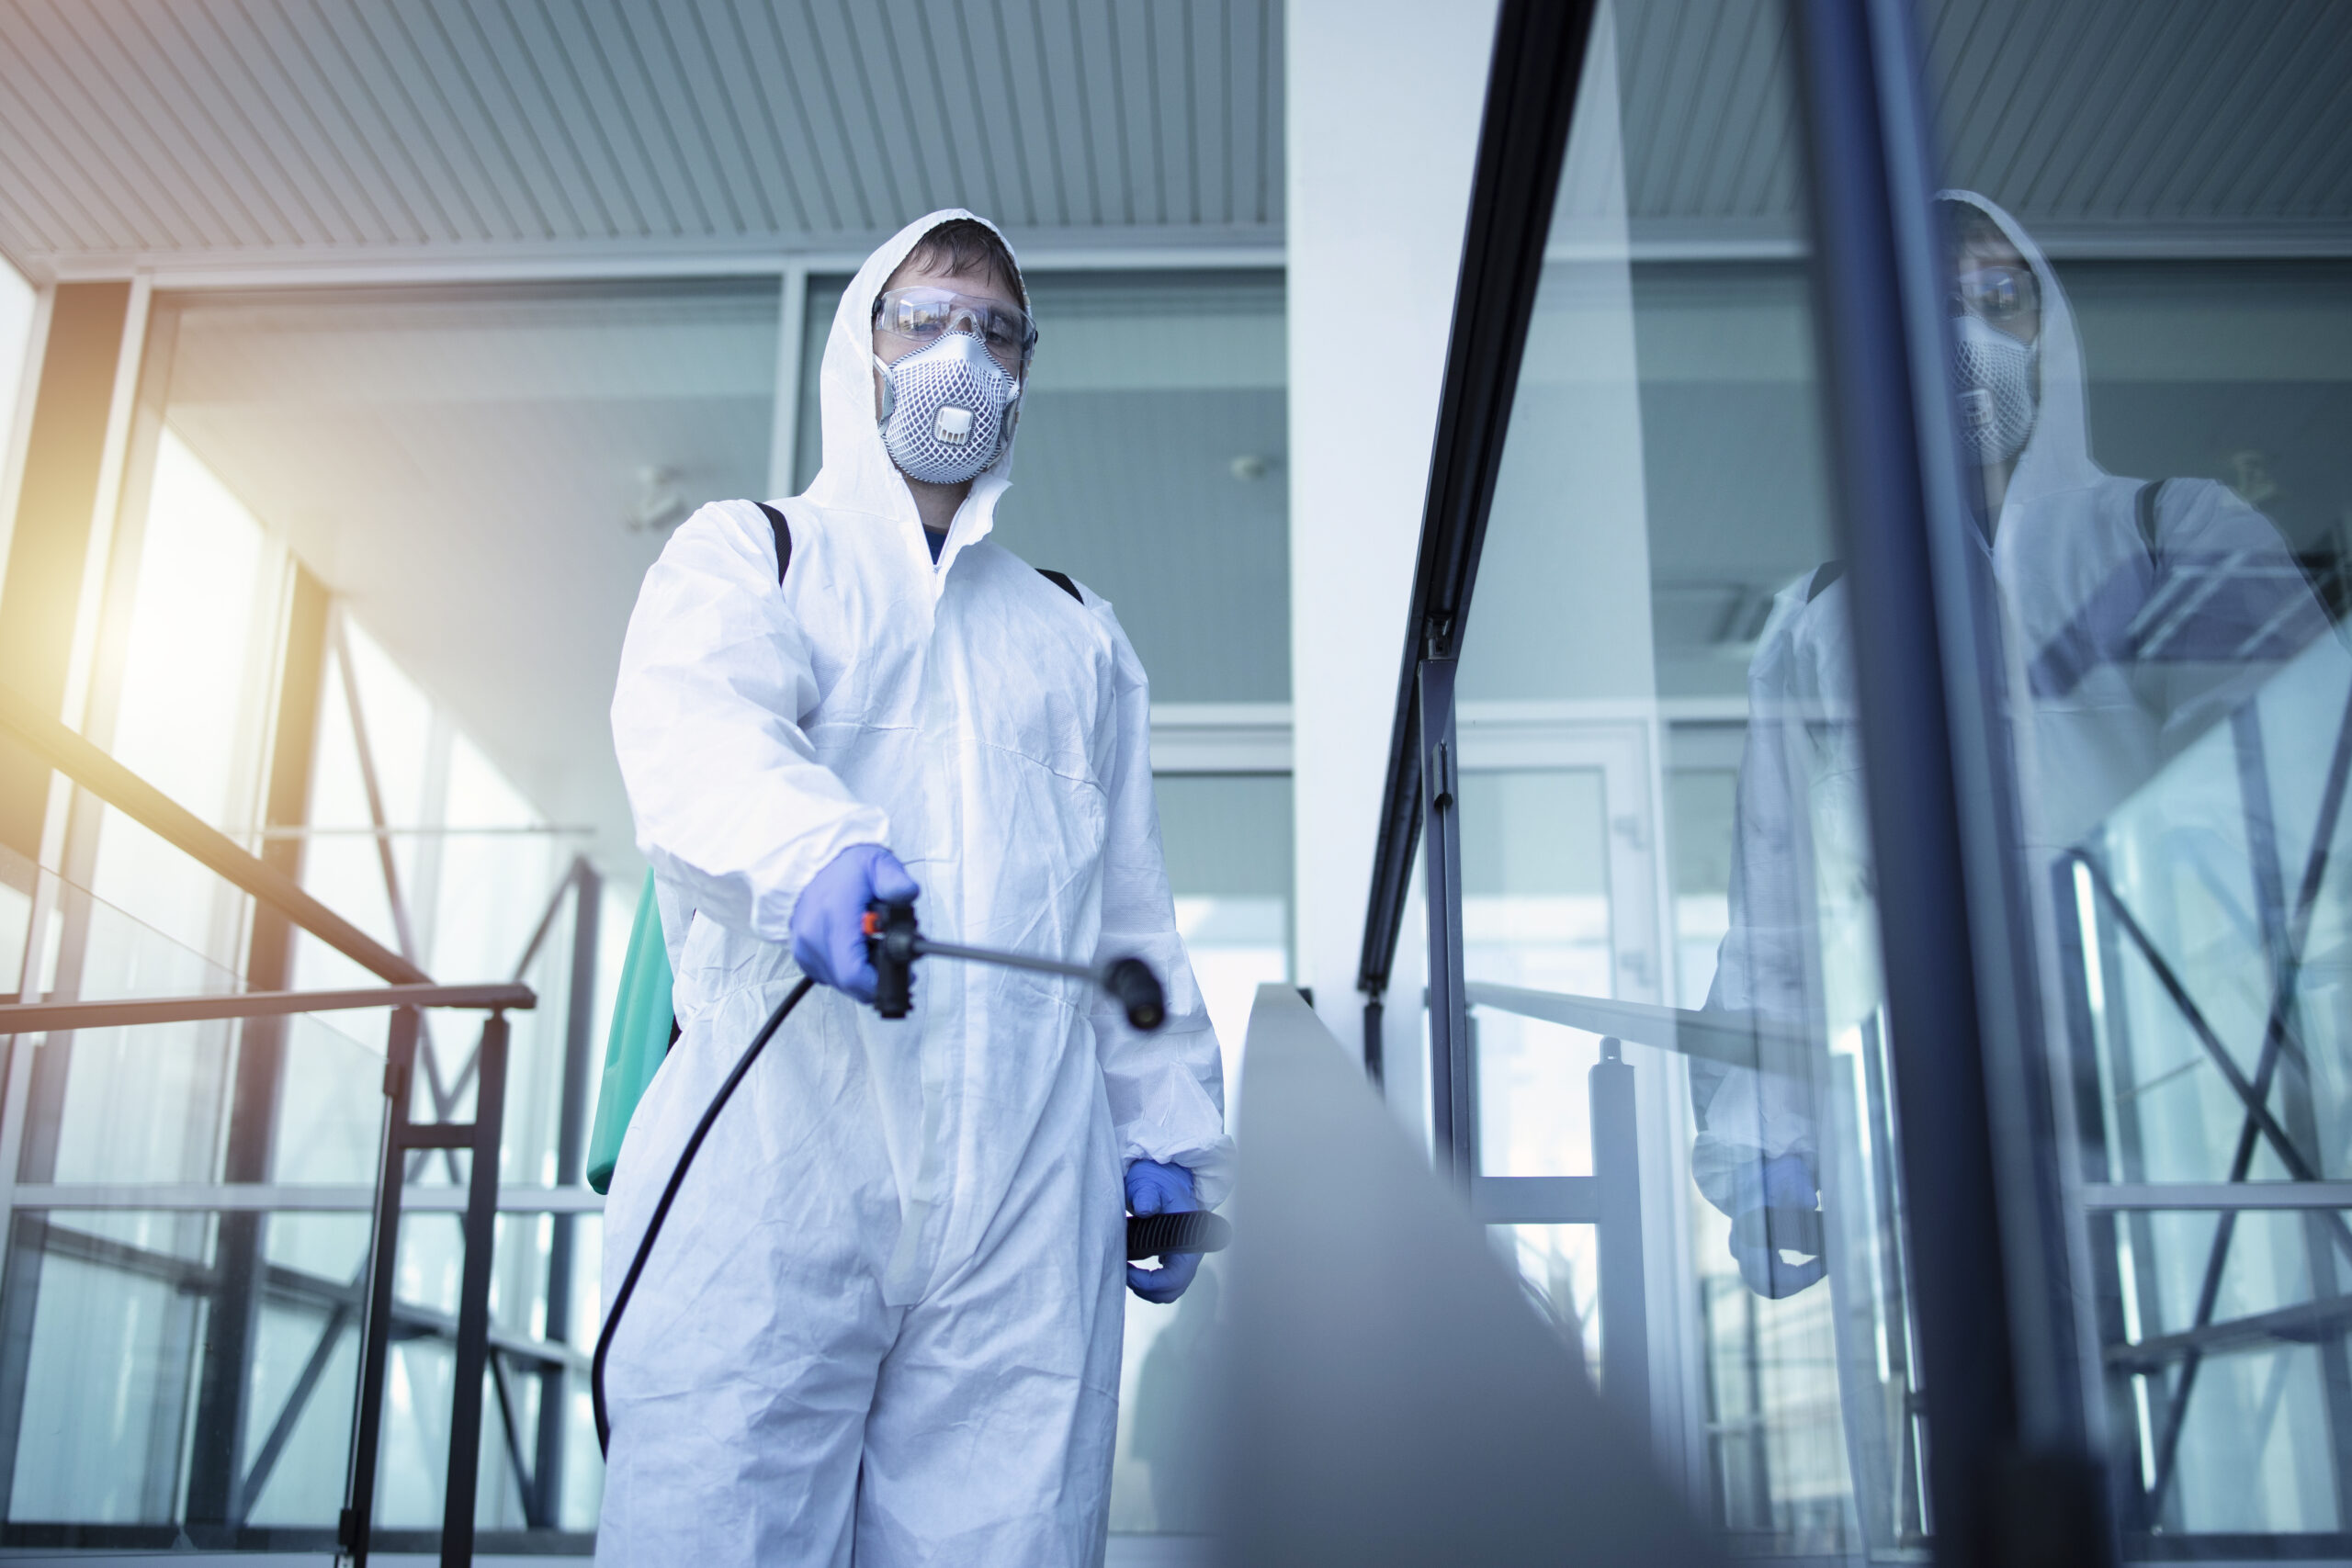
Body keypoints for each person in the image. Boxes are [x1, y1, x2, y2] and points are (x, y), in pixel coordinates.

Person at [597, 209, 1231, 1564]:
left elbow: (1128, 915)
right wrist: (814, 853)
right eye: (929, 318)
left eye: (998, 332)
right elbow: (697, 733)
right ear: (859, 351)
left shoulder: (1072, 632)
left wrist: (1172, 1128)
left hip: (1022, 1192)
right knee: (722, 1522)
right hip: (775, 1170)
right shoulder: (754, 554)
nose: (965, 354)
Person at [1692, 190, 2334, 1299]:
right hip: (1945, 1123)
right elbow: (1781, 919)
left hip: (2200, 1097)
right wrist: (1764, 1152)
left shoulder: (2175, 533)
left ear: (2050, 330)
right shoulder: (1816, 625)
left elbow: (2289, 810)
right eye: (1930, 307)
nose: (1968, 336)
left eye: (2000, 301)